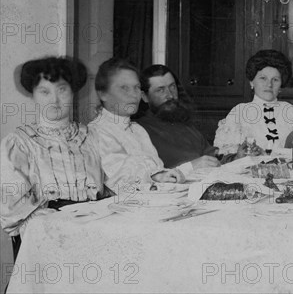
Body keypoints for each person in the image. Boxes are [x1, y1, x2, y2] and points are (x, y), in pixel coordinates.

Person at [0, 57, 107, 239]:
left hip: (95, 229)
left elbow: (115, 182)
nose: (55, 100)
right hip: (46, 234)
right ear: (33, 95)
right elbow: (12, 205)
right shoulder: (20, 143)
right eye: (44, 92)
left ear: (73, 92)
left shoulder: (92, 137)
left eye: (62, 90)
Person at [89, 58, 184, 191]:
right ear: (103, 94)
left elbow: (158, 169)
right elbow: (118, 182)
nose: (134, 95)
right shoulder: (97, 132)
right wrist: (156, 177)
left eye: (137, 87)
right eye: (124, 88)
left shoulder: (137, 129)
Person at [136, 64, 227, 169]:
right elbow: (147, 174)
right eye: (160, 90)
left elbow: (213, 155)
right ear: (144, 97)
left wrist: (235, 157)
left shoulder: (184, 123)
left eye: (172, 87)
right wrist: (191, 166)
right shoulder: (139, 130)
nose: (170, 95)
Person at [214, 50, 293, 155]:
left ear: (281, 84)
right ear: (251, 82)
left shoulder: (291, 111)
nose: (269, 85)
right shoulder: (239, 112)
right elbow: (227, 155)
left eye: (275, 80)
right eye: (263, 78)